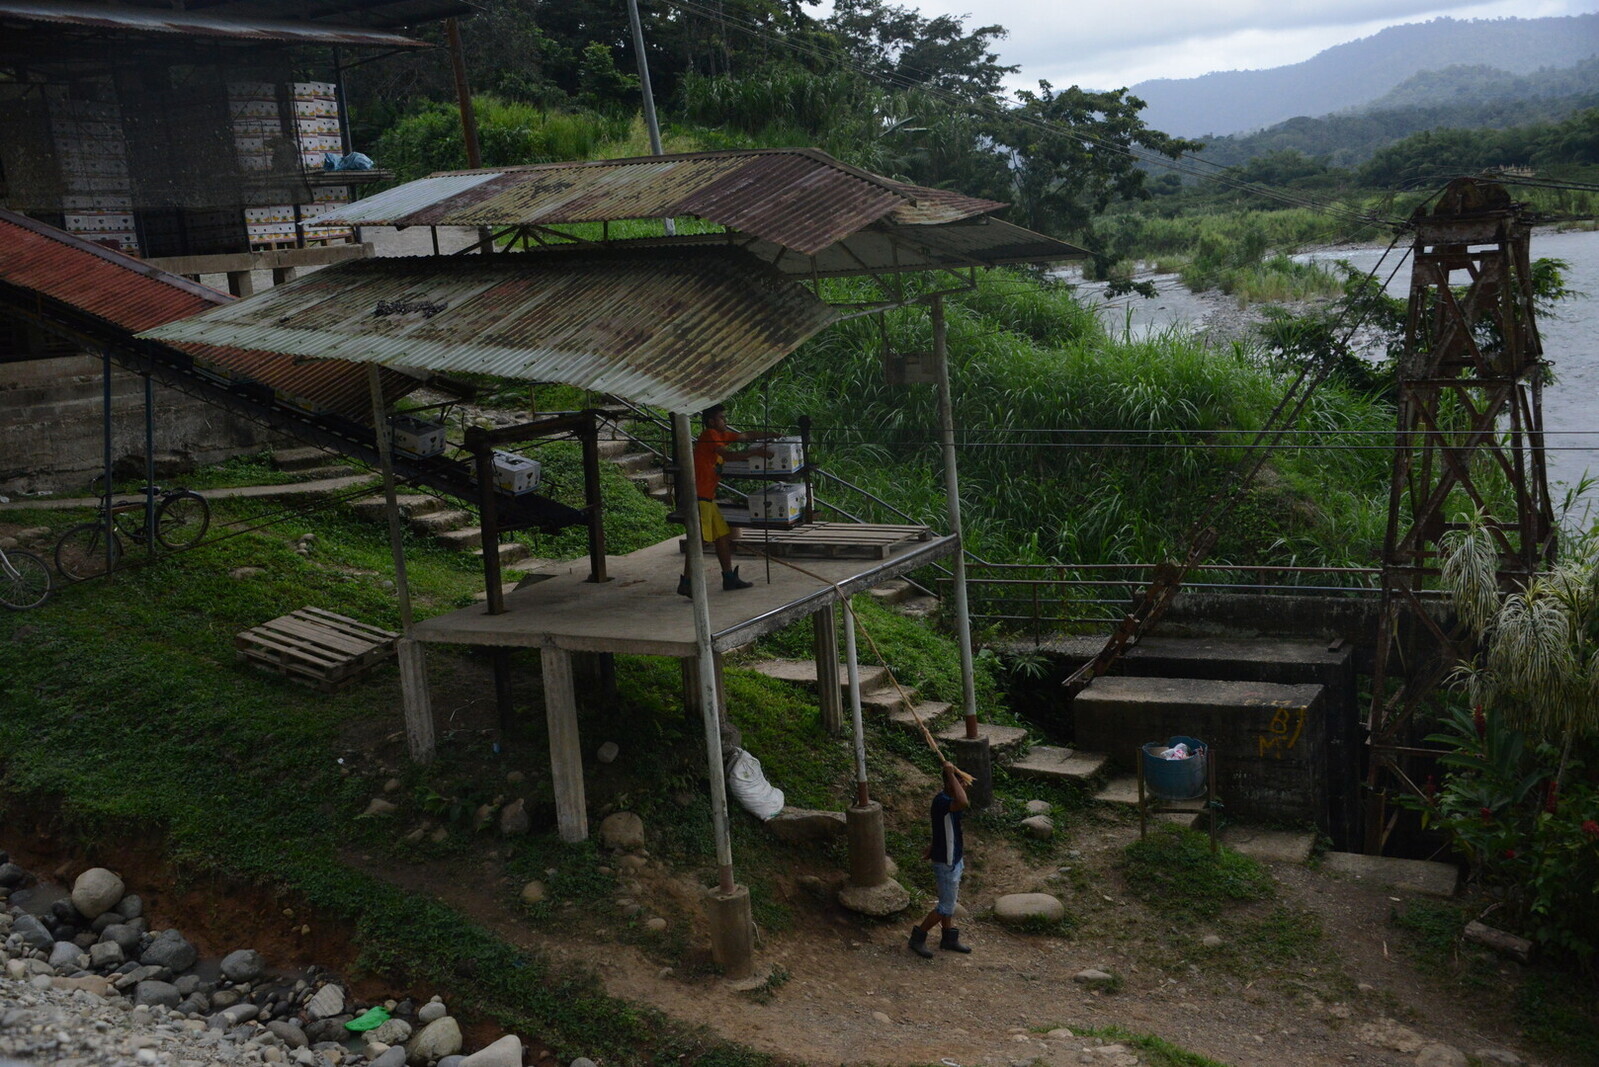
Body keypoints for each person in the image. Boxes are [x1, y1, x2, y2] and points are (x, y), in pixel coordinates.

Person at [678, 403, 777, 596]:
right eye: (722, 418)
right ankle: (687, 581)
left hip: (708, 497)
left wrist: (770, 434)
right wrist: (756, 453)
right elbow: (728, 456)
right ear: (711, 421)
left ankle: (728, 576)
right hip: (700, 496)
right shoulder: (709, 436)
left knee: (722, 536)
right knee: (697, 540)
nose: (726, 421)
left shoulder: (721, 436)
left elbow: (745, 435)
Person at [909, 759, 972, 957]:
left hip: (953, 858)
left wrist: (932, 846)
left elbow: (941, 828)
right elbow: (963, 802)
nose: (963, 789)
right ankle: (918, 937)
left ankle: (948, 937)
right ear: (950, 783)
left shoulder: (946, 802)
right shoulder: (943, 802)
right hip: (946, 862)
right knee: (946, 906)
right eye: (961, 785)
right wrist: (952, 774)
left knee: (949, 902)